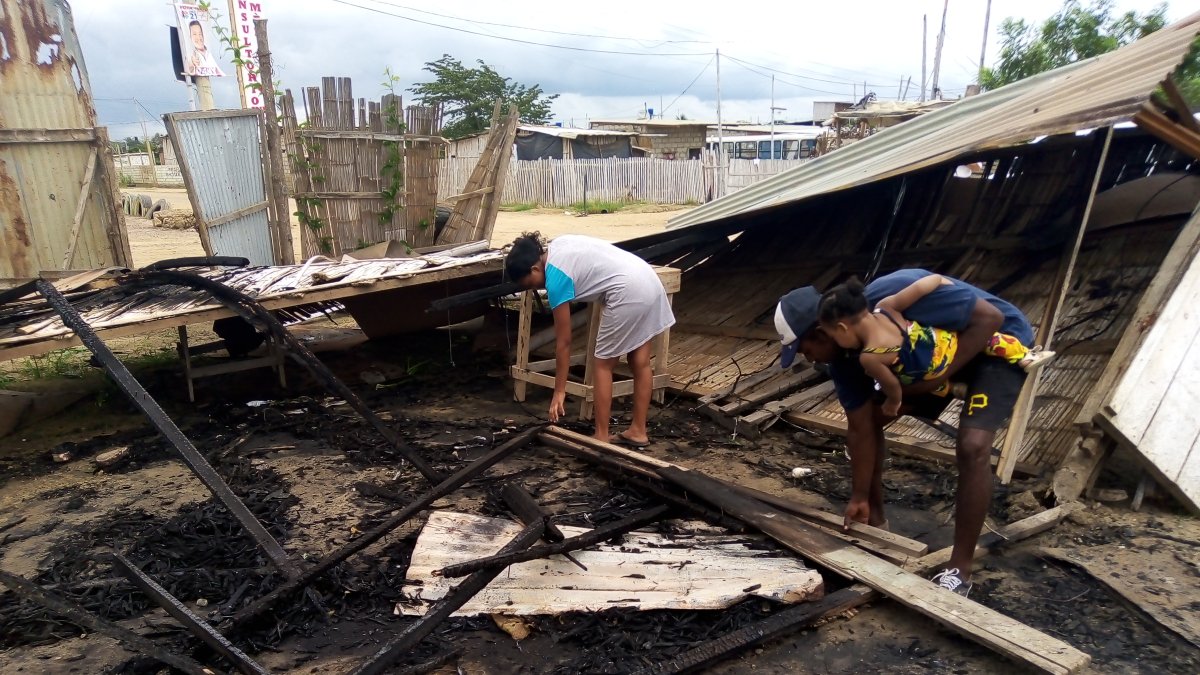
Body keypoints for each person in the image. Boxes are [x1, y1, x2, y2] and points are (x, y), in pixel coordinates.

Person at [774, 269, 1035, 597]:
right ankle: (879, 523)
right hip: (933, 362)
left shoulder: (895, 295)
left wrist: (936, 380)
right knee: (872, 417)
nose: (807, 358)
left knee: (973, 445)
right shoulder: (846, 359)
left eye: (805, 350)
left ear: (824, 332)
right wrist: (859, 497)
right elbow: (859, 428)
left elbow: (989, 318)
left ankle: (959, 569)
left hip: (998, 343)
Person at [505, 232, 675, 447]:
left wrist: (559, 391)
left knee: (602, 364)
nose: (532, 288)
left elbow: (564, 342)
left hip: (626, 291)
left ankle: (601, 437)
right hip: (648, 279)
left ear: (535, 269)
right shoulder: (559, 245)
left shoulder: (556, 280)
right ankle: (638, 431)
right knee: (639, 361)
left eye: (529, 283)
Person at [817, 275, 1053, 417]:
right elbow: (920, 288)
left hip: (928, 373)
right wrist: (940, 280)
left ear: (842, 328)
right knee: (992, 342)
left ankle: (952, 388)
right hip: (947, 348)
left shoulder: (869, 358)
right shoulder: (887, 306)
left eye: (832, 336)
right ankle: (1024, 355)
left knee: (906, 381)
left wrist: (892, 403)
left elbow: (893, 388)